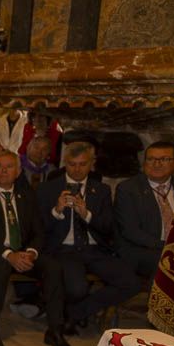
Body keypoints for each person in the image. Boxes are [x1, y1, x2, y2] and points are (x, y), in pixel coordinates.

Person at [0, 151, 72, 346]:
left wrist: (31, 253)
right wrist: (9, 254)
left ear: (18, 171)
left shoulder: (27, 195)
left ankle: (55, 329)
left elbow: (38, 231)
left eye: (9, 167)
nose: (4, 171)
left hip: (24, 252)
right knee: (1, 266)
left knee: (53, 267)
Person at [37, 142, 141, 333]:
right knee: (77, 289)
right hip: (63, 250)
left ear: (92, 164)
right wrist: (57, 210)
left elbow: (109, 227)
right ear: (64, 163)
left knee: (131, 283)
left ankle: (76, 313)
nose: (77, 169)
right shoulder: (48, 189)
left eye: (82, 164)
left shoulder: (101, 190)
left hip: (94, 250)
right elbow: (39, 228)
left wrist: (87, 214)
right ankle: (75, 312)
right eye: (72, 164)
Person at [115, 141, 174, 278]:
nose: (156, 164)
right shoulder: (128, 189)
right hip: (142, 249)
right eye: (151, 159)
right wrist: (170, 246)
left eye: (164, 159)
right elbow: (130, 231)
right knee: (171, 263)